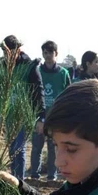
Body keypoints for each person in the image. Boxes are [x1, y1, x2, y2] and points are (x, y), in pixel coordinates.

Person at [0, 34, 43, 183]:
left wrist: (40, 116)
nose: (7, 56)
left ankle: (20, 182)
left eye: (10, 52)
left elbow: (38, 91)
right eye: (5, 53)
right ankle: (14, 179)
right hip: (8, 115)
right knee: (11, 149)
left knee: (19, 149)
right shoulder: (2, 68)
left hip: (23, 114)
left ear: (18, 50)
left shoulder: (29, 67)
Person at [31, 41, 70, 181]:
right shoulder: (37, 71)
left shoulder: (63, 73)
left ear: (56, 54)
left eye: (50, 52)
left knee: (53, 148)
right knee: (36, 147)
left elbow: (68, 95)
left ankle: (52, 176)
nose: (47, 55)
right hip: (38, 116)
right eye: (45, 53)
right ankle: (34, 175)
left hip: (55, 117)